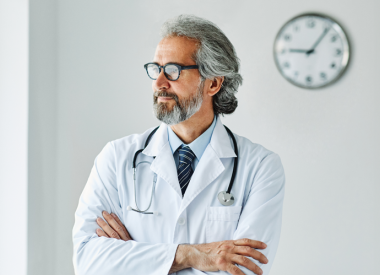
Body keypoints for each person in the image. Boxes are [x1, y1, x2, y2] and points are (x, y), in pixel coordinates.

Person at [72, 14, 285, 275]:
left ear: (214, 83)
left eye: (173, 70)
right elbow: (87, 260)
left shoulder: (260, 167)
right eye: (156, 69)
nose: (159, 83)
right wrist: (190, 255)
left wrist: (137, 257)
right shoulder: (117, 158)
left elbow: (245, 269)